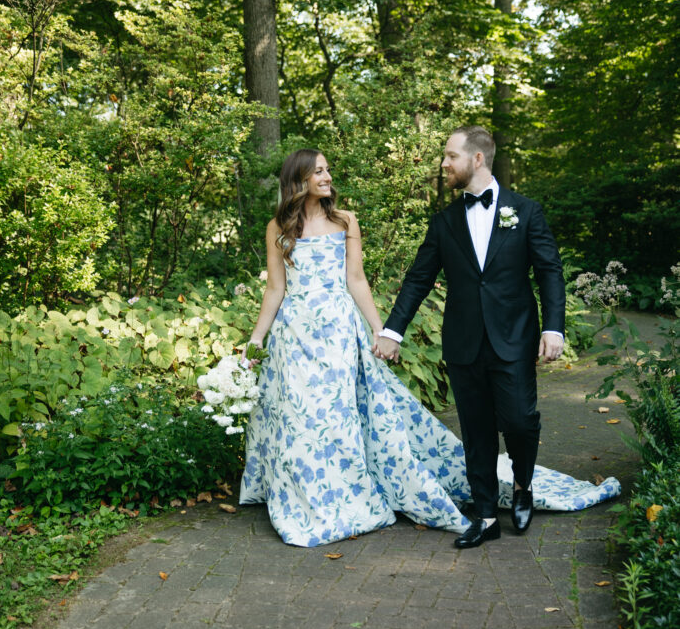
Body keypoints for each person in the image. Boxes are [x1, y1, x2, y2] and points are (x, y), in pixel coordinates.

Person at [239, 147, 620, 548]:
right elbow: (276, 288)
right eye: (319, 171)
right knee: (302, 420)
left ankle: (517, 485)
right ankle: (316, 500)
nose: (328, 176)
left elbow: (356, 280)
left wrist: (380, 330)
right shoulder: (278, 227)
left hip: (343, 333)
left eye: (327, 169)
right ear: (299, 178)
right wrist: (257, 338)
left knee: (343, 419)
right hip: (295, 336)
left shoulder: (345, 221)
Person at [375, 125, 568, 549]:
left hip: (513, 337)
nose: (444, 163)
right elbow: (418, 279)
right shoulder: (444, 222)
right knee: (476, 432)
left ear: (477, 159)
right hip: (464, 342)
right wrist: (392, 331)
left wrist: (554, 327)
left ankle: (522, 485)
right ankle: (485, 516)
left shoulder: (525, 211)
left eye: (451, 156)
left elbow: (549, 272)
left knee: (519, 420)